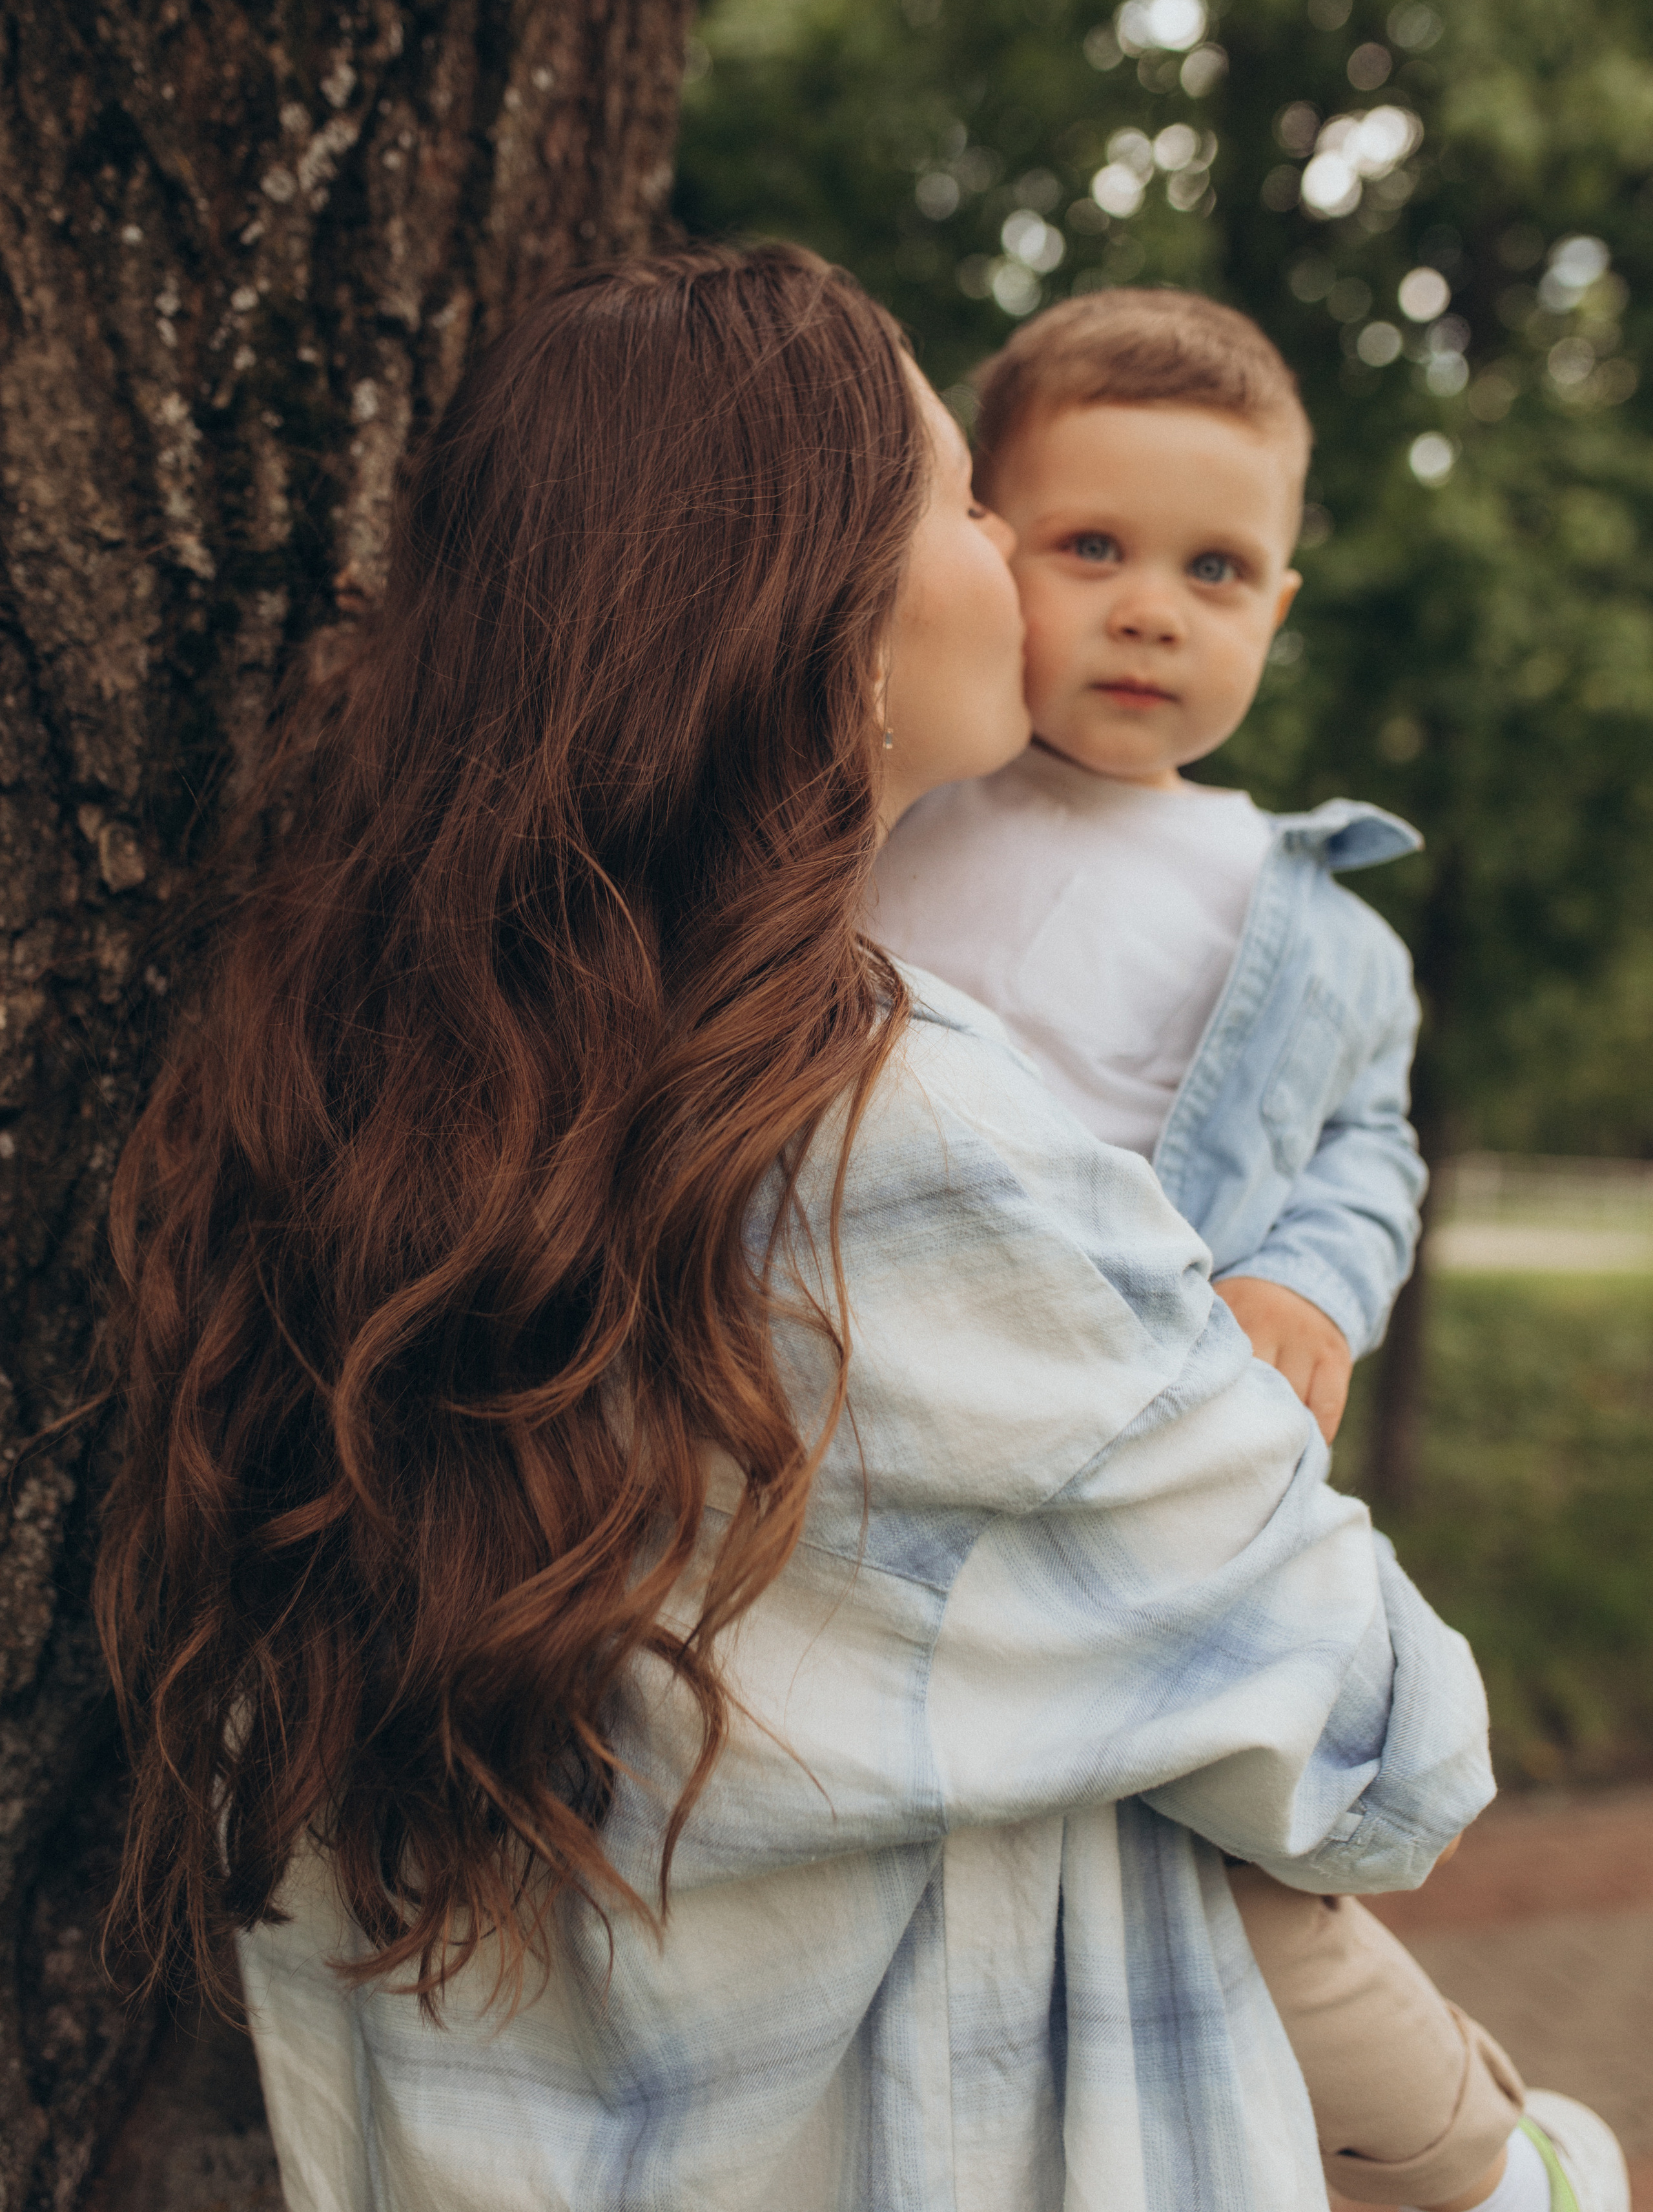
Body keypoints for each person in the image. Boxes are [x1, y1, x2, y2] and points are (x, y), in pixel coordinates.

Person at [98, 245, 1497, 2212]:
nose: (1008, 553)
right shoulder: (893, 1135)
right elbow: (1382, 1744)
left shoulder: (374, 1095)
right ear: (817, 618)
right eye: (955, 502)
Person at [870, 286, 1629, 2212]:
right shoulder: (890, 813)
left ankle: (1484, 2162)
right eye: (1091, 548)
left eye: (1217, 569)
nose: (1151, 609)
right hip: (887, 1422)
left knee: (1229, 1868)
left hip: (1124, 1447)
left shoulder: (1303, 919)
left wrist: (1309, 1280)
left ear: (1279, 610)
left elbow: (1369, 1148)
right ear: (981, 552)